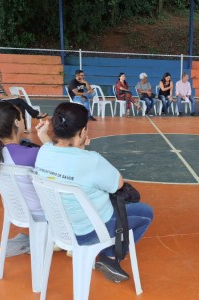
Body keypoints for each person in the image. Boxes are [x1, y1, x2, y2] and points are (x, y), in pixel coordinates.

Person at [35, 102, 153, 283]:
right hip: (87, 230)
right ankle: (110, 256)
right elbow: (118, 183)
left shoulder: (44, 151)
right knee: (145, 212)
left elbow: (60, 154)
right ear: (82, 132)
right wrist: (83, 150)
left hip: (59, 227)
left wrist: (76, 147)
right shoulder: (91, 161)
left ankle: (106, 254)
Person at [0, 101, 51, 220]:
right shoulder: (32, 154)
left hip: (15, 209)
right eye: (22, 117)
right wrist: (46, 140)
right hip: (41, 212)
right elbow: (61, 165)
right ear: (17, 122)